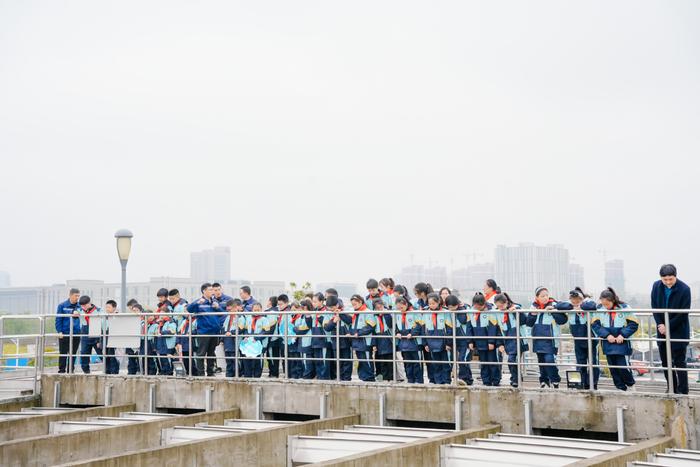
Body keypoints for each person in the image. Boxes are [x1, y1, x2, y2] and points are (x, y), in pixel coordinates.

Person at [651, 264, 692, 395]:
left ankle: (683, 389)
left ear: (675, 276)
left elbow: (683, 313)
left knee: (679, 361)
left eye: (671, 279)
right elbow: (654, 307)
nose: (668, 282)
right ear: (661, 278)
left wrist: (667, 326)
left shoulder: (685, 289)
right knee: (665, 361)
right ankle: (672, 387)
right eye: (665, 280)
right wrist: (660, 325)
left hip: (678, 330)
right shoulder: (656, 286)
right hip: (661, 330)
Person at [592, 287, 639, 391]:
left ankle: (630, 385)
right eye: (603, 304)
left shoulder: (624, 307)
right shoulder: (600, 309)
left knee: (623, 366)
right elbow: (595, 325)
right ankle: (620, 387)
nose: (605, 306)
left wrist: (623, 335)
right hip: (608, 342)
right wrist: (606, 335)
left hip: (622, 342)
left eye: (607, 304)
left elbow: (634, 324)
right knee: (613, 368)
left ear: (612, 300)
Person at [555, 288, 599, 389]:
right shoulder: (569, 305)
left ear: (582, 297)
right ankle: (581, 384)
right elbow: (559, 305)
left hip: (591, 339)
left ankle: (592, 384)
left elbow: (592, 305)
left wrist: (581, 306)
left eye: (577, 299)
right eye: (573, 299)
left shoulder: (587, 302)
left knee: (593, 363)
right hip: (578, 339)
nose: (575, 301)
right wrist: (572, 307)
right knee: (580, 363)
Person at [526, 287, 567, 388]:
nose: (545, 298)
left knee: (549, 360)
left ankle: (555, 379)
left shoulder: (554, 305)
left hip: (551, 339)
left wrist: (553, 311)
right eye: (542, 296)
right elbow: (529, 323)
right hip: (538, 337)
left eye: (546, 295)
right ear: (537, 297)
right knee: (541, 361)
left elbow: (562, 320)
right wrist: (533, 314)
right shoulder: (533, 307)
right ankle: (543, 381)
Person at [187, 283, 223, 377]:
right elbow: (189, 309)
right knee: (201, 353)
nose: (213, 291)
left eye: (213, 290)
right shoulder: (199, 302)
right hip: (204, 332)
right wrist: (197, 303)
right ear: (204, 291)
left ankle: (210, 373)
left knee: (211, 353)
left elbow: (222, 313)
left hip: (214, 332)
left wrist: (218, 307)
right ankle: (201, 374)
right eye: (210, 290)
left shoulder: (214, 302)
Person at [494, 293, 527, 388]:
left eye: (502, 305)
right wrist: (500, 344)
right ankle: (516, 377)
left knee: (512, 360)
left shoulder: (516, 308)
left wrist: (515, 312)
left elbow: (524, 320)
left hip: (517, 339)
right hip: (507, 340)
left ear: (506, 302)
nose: (500, 308)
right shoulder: (498, 313)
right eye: (498, 306)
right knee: (511, 360)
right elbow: (498, 330)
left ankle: (515, 379)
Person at [468, 293, 500, 386]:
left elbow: (492, 328)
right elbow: (469, 327)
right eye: (475, 305)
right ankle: (486, 381)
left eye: (479, 306)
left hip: (489, 343)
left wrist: (491, 341)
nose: (477, 307)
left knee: (492, 362)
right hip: (479, 342)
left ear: (483, 303)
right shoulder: (471, 312)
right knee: (483, 363)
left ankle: (495, 380)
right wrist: (470, 341)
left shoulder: (491, 311)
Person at [421, 293, 453, 385]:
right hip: (431, 342)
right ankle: (438, 381)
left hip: (443, 342)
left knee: (446, 363)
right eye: (430, 304)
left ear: (438, 302)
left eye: (433, 303)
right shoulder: (426, 313)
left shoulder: (445, 312)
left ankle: (446, 380)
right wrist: (425, 344)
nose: (431, 305)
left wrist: (448, 343)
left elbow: (449, 329)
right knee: (435, 364)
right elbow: (423, 329)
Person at [394, 297, 423, 384]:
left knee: (416, 362)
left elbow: (420, 325)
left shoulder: (414, 312)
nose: (400, 310)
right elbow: (396, 326)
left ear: (406, 304)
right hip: (403, 342)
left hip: (414, 341)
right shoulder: (398, 314)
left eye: (401, 308)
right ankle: (410, 379)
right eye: (398, 308)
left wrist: (412, 333)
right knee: (407, 362)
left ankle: (418, 380)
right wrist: (397, 332)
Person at [323, 295, 353, 381]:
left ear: (337, 305)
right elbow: (326, 328)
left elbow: (350, 320)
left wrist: (340, 314)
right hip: (335, 340)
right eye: (329, 307)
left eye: (333, 307)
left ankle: (346, 379)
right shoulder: (327, 314)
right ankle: (339, 378)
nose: (331, 309)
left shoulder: (344, 311)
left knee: (347, 361)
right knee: (338, 361)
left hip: (346, 340)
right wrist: (333, 321)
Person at [348, 294, 376, 382]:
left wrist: (358, 333)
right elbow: (352, 325)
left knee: (367, 359)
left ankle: (370, 378)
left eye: (355, 304)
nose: (354, 306)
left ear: (360, 302)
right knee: (361, 359)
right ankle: (363, 377)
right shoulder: (355, 313)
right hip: (357, 340)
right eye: (352, 304)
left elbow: (370, 326)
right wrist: (351, 333)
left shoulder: (367, 311)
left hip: (365, 340)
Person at [447, 295, 473, 386]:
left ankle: (465, 379)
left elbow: (463, 320)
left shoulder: (463, 310)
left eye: (453, 307)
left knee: (463, 359)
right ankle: (465, 378)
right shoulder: (448, 312)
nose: (451, 309)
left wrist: (459, 309)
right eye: (449, 307)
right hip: (455, 339)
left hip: (465, 340)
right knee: (456, 360)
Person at [238, 302, 269, 378]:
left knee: (257, 361)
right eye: (255, 309)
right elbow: (245, 329)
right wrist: (245, 336)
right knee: (247, 359)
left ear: (261, 310)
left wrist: (257, 338)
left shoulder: (264, 319)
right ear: (252, 310)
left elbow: (266, 331)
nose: (256, 311)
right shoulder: (248, 318)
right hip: (248, 343)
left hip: (259, 343)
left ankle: (257, 376)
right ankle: (247, 375)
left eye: (258, 310)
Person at [56, 288, 82, 373]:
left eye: (78, 296)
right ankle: (61, 370)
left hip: (76, 333)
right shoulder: (62, 306)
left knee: (73, 353)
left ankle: (70, 370)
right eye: (76, 296)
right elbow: (58, 319)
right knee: (63, 353)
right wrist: (59, 331)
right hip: (65, 333)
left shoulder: (80, 306)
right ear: (70, 295)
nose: (77, 297)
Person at [78, 295, 102, 374]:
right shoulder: (80, 310)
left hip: (96, 335)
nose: (83, 307)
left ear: (89, 303)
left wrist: (99, 339)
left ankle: (108, 370)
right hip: (85, 334)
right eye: (82, 305)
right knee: (84, 353)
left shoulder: (98, 311)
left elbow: (103, 324)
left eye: (84, 305)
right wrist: (74, 312)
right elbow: (73, 312)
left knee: (102, 353)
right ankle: (86, 371)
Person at [309, 293, 331, 380]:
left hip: (323, 340)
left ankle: (324, 378)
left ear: (321, 301)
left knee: (324, 360)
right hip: (315, 339)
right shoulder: (315, 311)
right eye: (312, 302)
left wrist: (320, 316)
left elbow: (327, 325)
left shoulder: (326, 311)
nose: (313, 303)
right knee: (317, 360)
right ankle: (319, 376)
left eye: (315, 301)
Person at [372, 299, 394, 381]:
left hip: (388, 338)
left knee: (390, 362)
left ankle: (391, 379)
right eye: (377, 308)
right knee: (382, 362)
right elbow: (373, 331)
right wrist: (374, 344)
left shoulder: (388, 313)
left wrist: (385, 314)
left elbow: (390, 324)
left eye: (380, 307)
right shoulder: (374, 316)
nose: (379, 309)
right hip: (379, 339)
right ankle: (384, 379)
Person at [295, 299, 315, 379]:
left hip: (307, 342)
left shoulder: (311, 316)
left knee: (307, 361)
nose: (299, 309)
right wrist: (298, 329)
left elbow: (303, 329)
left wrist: (298, 329)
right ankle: (304, 375)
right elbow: (295, 327)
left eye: (301, 307)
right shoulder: (301, 317)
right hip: (301, 342)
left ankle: (307, 376)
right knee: (303, 360)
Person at [222, 299, 243, 377]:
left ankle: (238, 374)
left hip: (235, 341)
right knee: (228, 359)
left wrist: (232, 333)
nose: (228, 311)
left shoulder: (240, 317)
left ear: (235, 308)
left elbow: (241, 328)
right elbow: (224, 328)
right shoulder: (228, 317)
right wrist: (222, 339)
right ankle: (229, 374)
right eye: (227, 310)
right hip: (227, 341)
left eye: (230, 310)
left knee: (235, 359)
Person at [154, 306, 177, 375]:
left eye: (163, 314)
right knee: (162, 358)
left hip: (168, 344)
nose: (161, 315)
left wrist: (162, 333)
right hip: (161, 343)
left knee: (168, 359)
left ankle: (169, 372)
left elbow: (172, 332)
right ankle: (163, 371)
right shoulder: (160, 323)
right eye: (160, 314)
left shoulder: (171, 322)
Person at [176, 310, 198, 376]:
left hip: (192, 342)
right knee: (185, 358)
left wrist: (191, 333)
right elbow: (179, 332)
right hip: (183, 342)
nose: (185, 313)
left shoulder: (196, 321)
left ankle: (194, 372)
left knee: (191, 358)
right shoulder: (184, 321)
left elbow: (198, 330)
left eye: (187, 311)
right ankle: (187, 371)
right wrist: (178, 342)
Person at [264, 296, 282, 378]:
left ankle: (274, 374)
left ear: (270, 302)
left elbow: (270, 327)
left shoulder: (270, 312)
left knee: (271, 357)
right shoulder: (278, 311)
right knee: (274, 357)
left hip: (272, 339)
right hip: (276, 339)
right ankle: (273, 373)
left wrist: (267, 337)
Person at [102, 300, 120, 375]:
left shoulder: (118, 317)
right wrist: (99, 341)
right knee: (106, 356)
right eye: (106, 307)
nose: (107, 309)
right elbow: (101, 330)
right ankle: (107, 371)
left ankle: (114, 372)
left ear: (114, 308)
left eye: (109, 307)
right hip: (105, 339)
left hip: (114, 339)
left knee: (113, 356)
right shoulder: (104, 317)